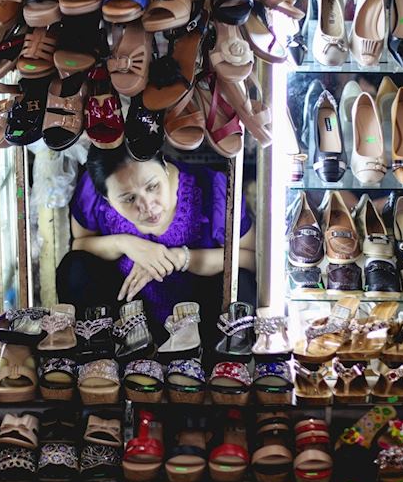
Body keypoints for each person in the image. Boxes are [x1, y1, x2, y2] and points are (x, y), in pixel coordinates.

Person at [57, 145, 256, 344]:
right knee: (75, 267)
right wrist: (125, 244)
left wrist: (181, 258)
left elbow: (251, 259)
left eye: (152, 186)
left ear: (164, 166)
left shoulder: (213, 188)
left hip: (200, 313)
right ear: (107, 199)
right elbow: (80, 245)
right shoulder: (94, 188)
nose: (148, 206)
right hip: (127, 315)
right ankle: (100, 350)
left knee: (241, 281)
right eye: (129, 199)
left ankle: (217, 356)